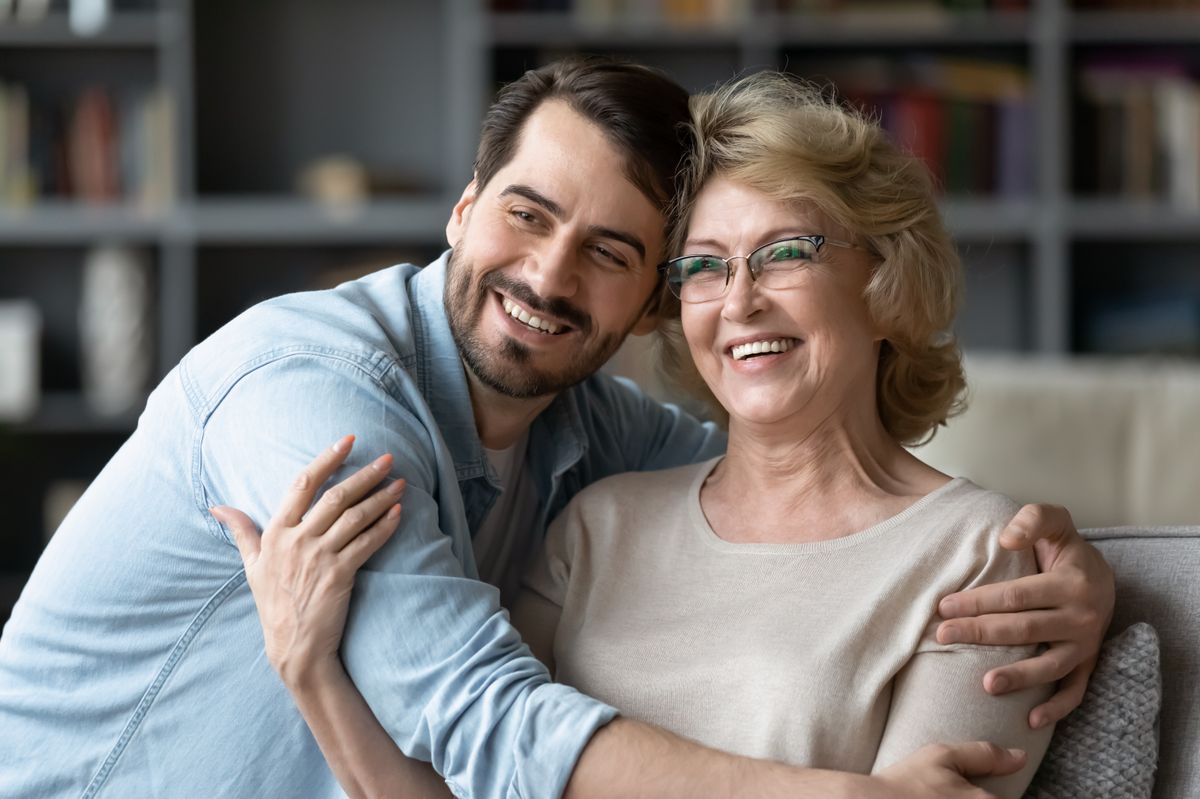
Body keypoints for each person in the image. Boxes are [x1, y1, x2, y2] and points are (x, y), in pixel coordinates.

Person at [0, 58, 1111, 798]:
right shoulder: (312, 392)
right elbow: (472, 715)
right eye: (528, 214)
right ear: (462, 207)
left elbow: (806, 488)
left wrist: (1088, 559)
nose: (547, 273)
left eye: (613, 251)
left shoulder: (598, 440)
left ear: (645, 306)